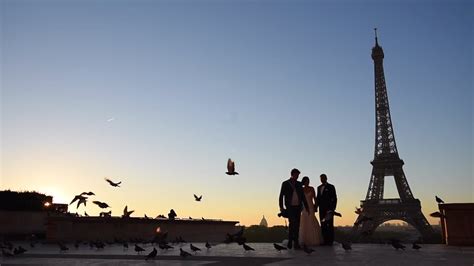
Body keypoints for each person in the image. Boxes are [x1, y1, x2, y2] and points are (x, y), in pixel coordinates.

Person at [279, 168, 309, 249]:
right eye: (297, 174)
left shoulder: (299, 184)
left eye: (298, 175)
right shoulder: (285, 183)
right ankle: (291, 241)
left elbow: (303, 197)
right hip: (290, 207)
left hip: (298, 207)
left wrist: (307, 207)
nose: (298, 176)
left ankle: (294, 242)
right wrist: (281, 207)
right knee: (292, 223)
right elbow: (281, 196)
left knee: (297, 225)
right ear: (292, 174)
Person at [298, 176, 323, 246]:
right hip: (304, 208)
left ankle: (313, 240)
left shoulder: (312, 188)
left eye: (308, 181)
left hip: (311, 207)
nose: (307, 182)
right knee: (304, 222)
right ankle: (304, 240)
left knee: (311, 221)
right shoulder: (301, 189)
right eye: (306, 181)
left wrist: (316, 206)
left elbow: (315, 198)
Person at [316, 174, 337, 245]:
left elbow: (334, 198)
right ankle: (325, 240)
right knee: (323, 224)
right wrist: (316, 207)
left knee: (330, 224)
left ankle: (330, 241)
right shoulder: (318, 188)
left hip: (329, 209)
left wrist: (332, 209)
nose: (322, 179)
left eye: (323, 178)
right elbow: (318, 198)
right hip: (321, 209)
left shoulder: (331, 187)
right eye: (321, 178)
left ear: (326, 178)